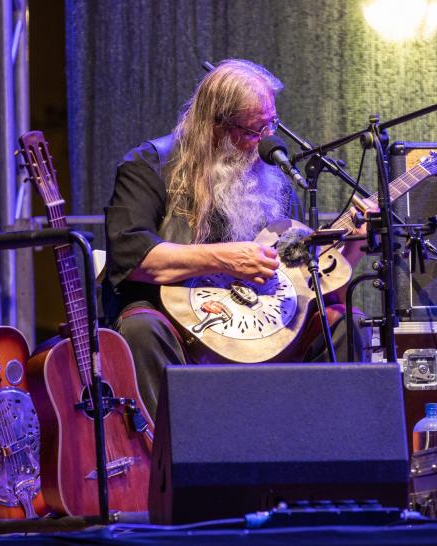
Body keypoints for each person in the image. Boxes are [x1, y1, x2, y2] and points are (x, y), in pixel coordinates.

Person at [104, 59, 370, 418]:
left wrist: (352, 244)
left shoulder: (274, 181)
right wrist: (223, 258)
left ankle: (333, 457)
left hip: (262, 325)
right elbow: (132, 257)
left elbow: (303, 281)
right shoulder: (149, 166)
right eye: (253, 130)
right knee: (140, 327)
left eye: (270, 125)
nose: (264, 142)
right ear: (213, 124)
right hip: (182, 328)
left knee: (344, 320)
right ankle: (169, 464)